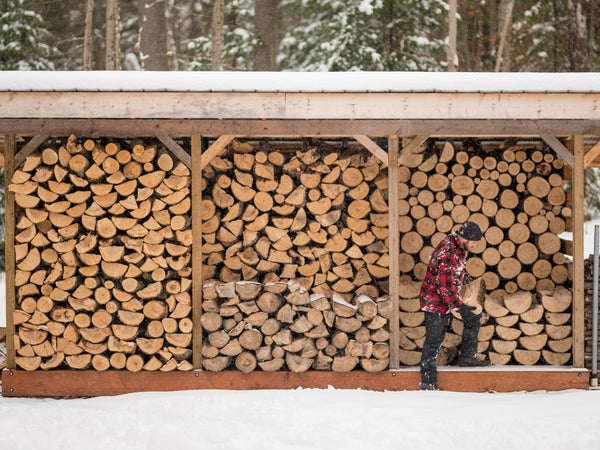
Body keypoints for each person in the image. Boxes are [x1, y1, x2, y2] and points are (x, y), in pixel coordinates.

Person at [419, 221, 490, 391]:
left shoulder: (458, 248)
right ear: (464, 238)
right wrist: (460, 307)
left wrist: (468, 284)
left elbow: (457, 273)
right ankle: (428, 380)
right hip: (434, 302)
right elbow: (444, 287)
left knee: (474, 318)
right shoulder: (448, 252)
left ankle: (467, 357)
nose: (475, 245)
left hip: (447, 299)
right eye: (474, 241)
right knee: (434, 340)